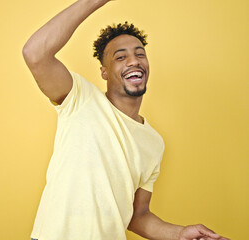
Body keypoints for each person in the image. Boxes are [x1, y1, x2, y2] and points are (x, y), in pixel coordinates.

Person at [22, 0, 230, 240]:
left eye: (139, 54)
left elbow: (138, 215)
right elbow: (35, 53)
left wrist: (180, 234)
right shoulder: (79, 99)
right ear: (104, 71)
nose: (133, 61)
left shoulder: (154, 142)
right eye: (120, 57)